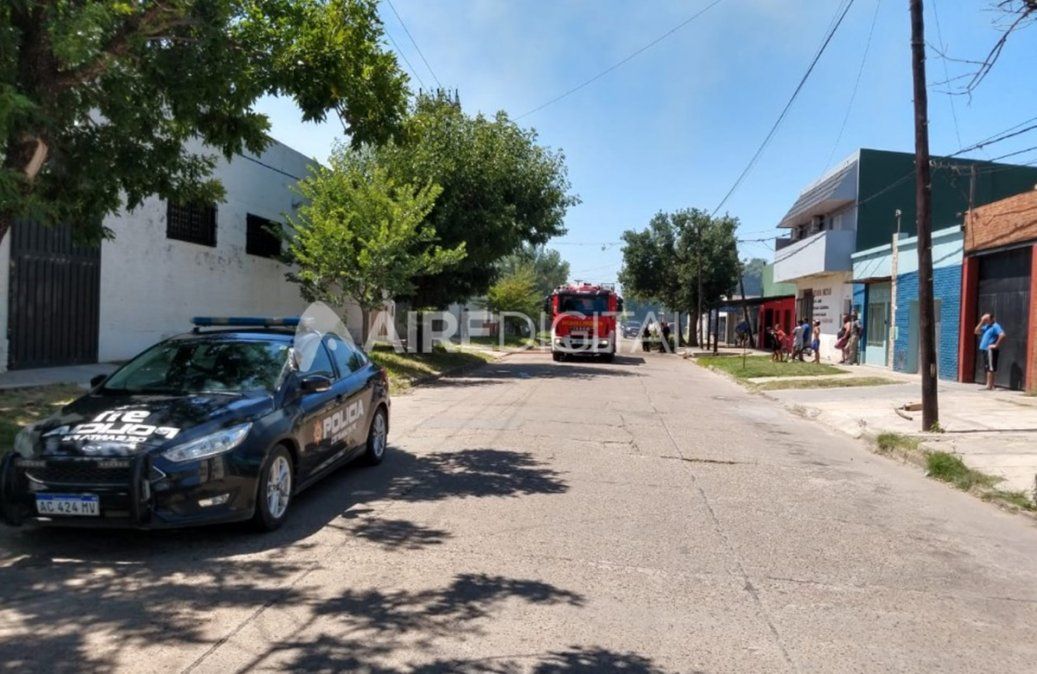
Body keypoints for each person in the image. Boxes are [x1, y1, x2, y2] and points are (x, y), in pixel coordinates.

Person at [975, 312, 1006, 390]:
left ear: (992, 319)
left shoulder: (995, 326)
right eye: (985, 320)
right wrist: (981, 321)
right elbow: (976, 331)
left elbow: (1002, 335)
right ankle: (991, 385)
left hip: (990, 350)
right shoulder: (987, 326)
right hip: (985, 349)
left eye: (987, 319)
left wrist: (996, 345)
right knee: (989, 366)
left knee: (990, 367)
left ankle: (989, 386)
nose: (986, 321)